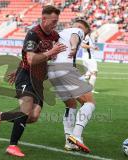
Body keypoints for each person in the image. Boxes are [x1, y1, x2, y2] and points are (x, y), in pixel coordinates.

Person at [0, 5, 66, 157]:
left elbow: (36, 57)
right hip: (25, 76)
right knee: (25, 109)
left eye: (57, 21)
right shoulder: (33, 34)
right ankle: (12, 146)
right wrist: (51, 52)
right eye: (53, 21)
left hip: (38, 80)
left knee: (33, 116)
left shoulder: (54, 36)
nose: (55, 24)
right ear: (44, 19)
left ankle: (0, 116)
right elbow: (30, 58)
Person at [47, 19, 95, 153]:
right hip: (65, 69)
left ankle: (69, 141)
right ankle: (77, 135)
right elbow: (75, 36)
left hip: (52, 72)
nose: (84, 37)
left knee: (71, 104)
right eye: (85, 35)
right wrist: (74, 47)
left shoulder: (61, 33)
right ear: (83, 28)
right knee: (89, 102)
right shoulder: (77, 30)